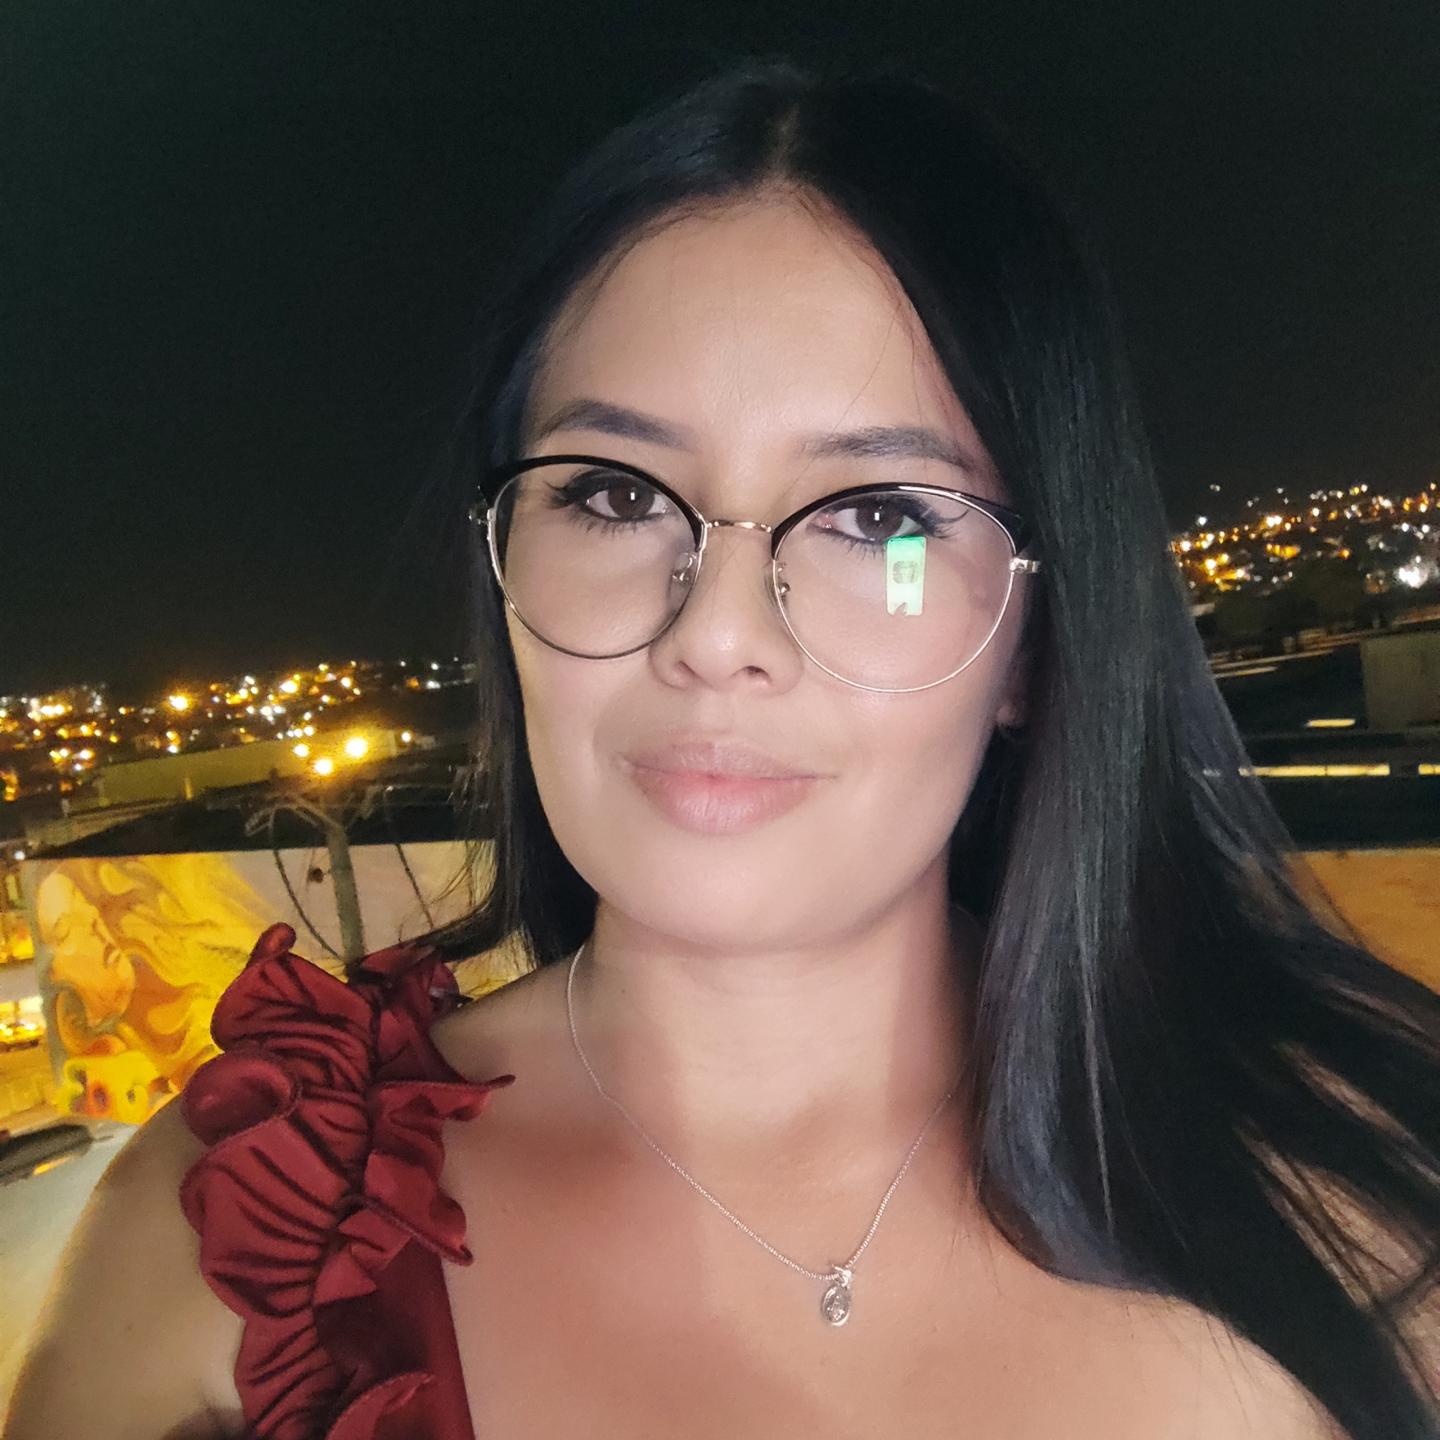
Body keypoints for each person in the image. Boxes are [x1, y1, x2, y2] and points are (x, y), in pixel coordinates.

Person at [8, 55, 1438, 1440]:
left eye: (879, 515)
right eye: (618, 495)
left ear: (1031, 640)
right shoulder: (233, 1241)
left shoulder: (1369, 1182)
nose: (717, 632)